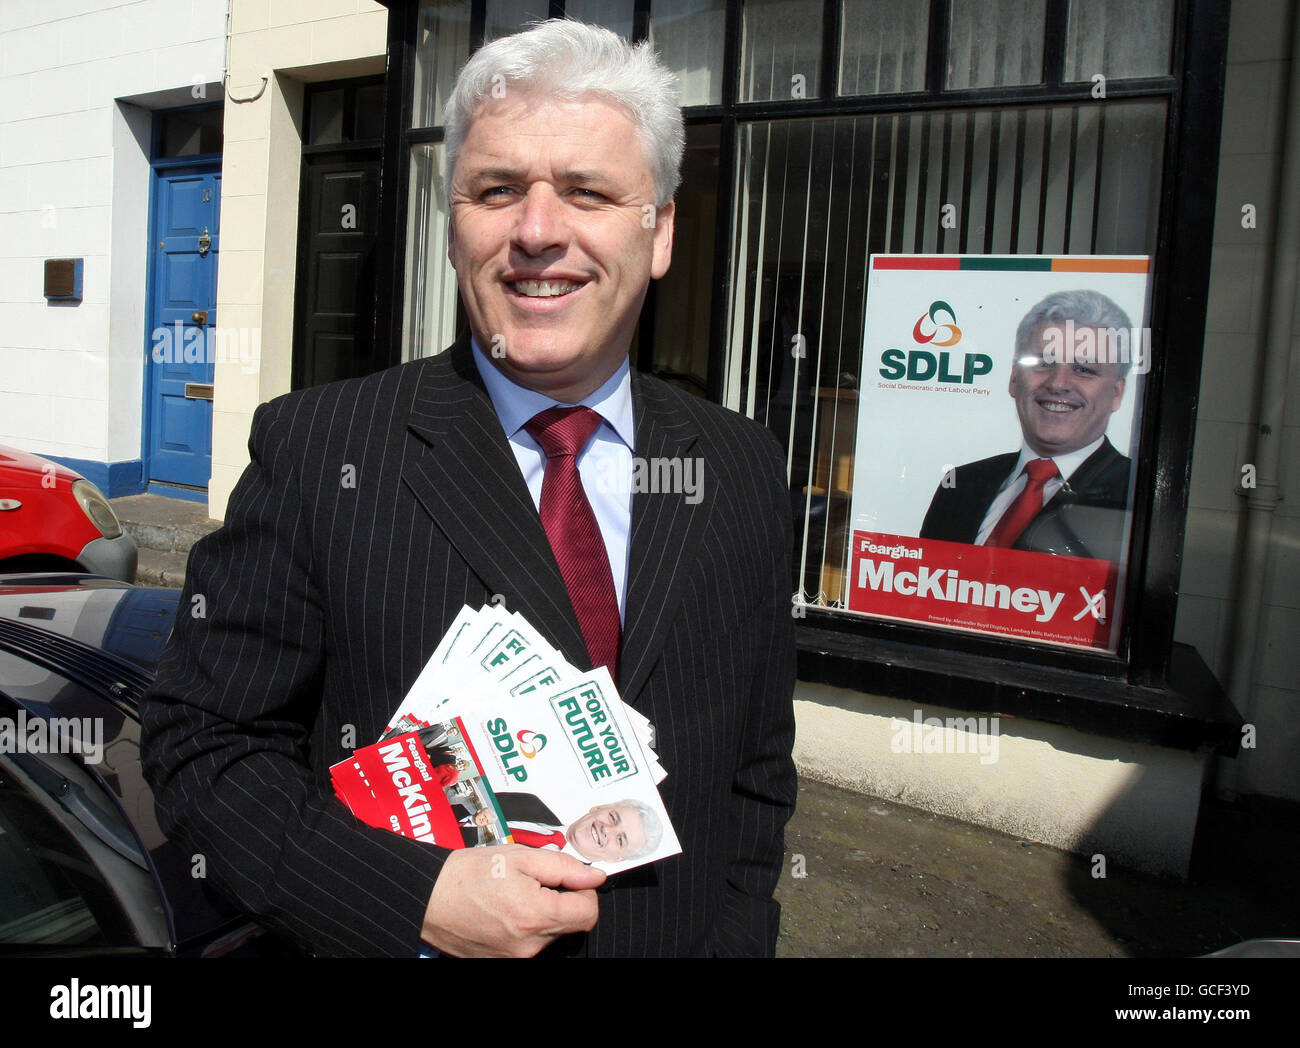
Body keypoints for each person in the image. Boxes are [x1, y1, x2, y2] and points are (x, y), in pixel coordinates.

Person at [139, 20, 796, 958]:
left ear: (660, 234)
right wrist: (412, 897)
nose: (537, 232)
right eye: (497, 191)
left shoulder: (739, 467)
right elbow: (198, 743)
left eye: (587, 192)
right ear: (453, 229)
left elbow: (757, 774)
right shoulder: (320, 448)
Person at [918, 290, 1136, 562]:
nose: (1057, 383)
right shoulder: (961, 484)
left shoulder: (1135, 494)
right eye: (1042, 364)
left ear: (1116, 393)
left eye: (1083, 370)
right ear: (1013, 379)